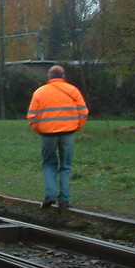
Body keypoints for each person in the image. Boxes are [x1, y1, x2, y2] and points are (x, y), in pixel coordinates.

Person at [26, 64, 88, 210]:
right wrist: (76, 126)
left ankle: (51, 195)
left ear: (49, 77)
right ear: (63, 76)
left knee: (49, 164)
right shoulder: (73, 90)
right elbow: (84, 112)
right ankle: (64, 200)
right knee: (66, 166)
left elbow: (32, 116)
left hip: (47, 134)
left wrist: (39, 129)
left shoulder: (40, 92)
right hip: (68, 133)